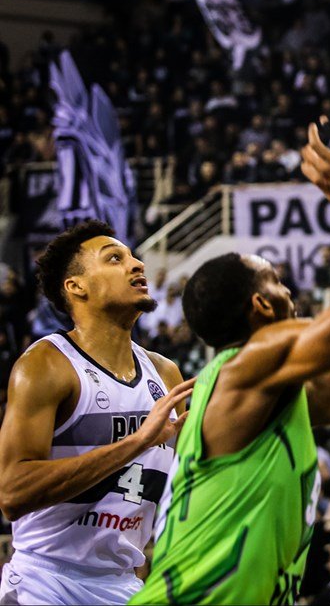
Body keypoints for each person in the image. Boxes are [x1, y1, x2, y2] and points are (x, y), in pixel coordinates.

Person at [131, 122, 330, 604]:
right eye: (277, 281)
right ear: (262, 306)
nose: (289, 291)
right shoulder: (248, 364)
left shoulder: (269, 394)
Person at [0, 221, 192, 604]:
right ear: (77, 287)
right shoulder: (46, 364)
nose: (136, 264)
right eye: (114, 258)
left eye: (133, 257)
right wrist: (138, 441)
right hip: (46, 581)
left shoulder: (165, 373)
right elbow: (13, 492)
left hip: (124, 582)